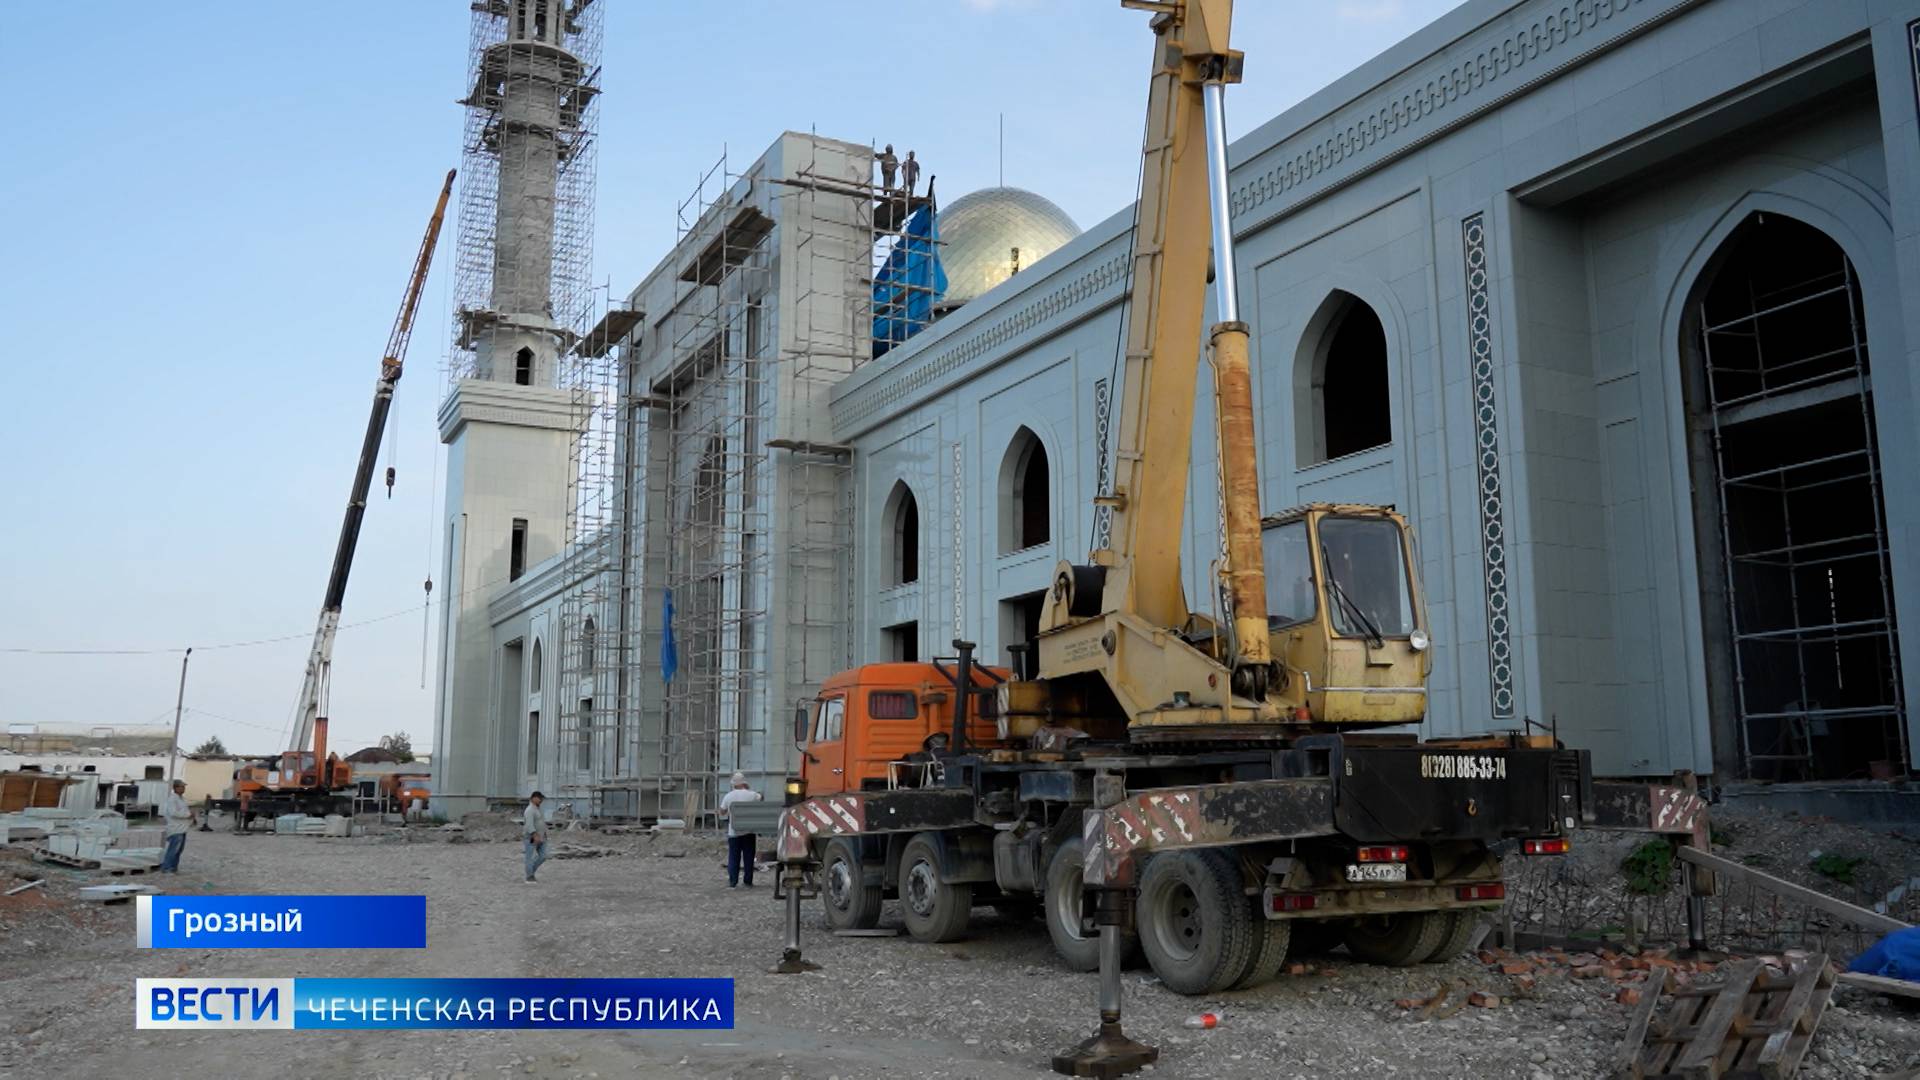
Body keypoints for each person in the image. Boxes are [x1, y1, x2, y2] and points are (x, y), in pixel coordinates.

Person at [718, 772, 762, 888]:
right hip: (749, 831)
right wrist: (748, 790)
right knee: (748, 856)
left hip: (734, 832)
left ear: (733, 784)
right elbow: (760, 798)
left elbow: (722, 811)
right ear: (744, 783)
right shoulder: (752, 795)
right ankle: (748, 880)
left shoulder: (728, 796)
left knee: (733, 856)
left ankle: (733, 881)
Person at [158, 779, 194, 873]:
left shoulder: (181, 799)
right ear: (176, 788)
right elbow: (173, 813)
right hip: (175, 828)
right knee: (174, 849)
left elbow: (185, 811)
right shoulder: (172, 799)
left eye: (184, 787)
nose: (183, 788)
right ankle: (167, 868)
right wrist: (187, 815)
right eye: (181, 787)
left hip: (182, 828)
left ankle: (173, 867)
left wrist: (191, 818)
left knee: (179, 850)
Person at [522, 791, 548, 883]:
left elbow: (541, 822)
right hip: (532, 837)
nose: (541, 800)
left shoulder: (538, 809)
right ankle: (529, 876)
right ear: (534, 798)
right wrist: (534, 835)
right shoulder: (529, 810)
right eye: (540, 798)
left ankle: (531, 871)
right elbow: (529, 824)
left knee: (544, 855)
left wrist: (544, 834)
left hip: (542, 836)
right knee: (529, 856)